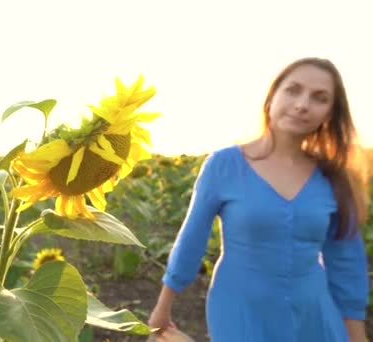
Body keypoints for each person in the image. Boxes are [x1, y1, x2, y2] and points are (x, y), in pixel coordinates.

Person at [148, 57, 370, 341]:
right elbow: (191, 239)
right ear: (272, 95)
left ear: (330, 113)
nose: (302, 104)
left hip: (313, 310)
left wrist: (357, 335)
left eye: (320, 98)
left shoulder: (333, 177)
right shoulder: (224, 165)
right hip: (240, 307)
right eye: (293, 90)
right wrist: (163, 308)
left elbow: (346, 263)